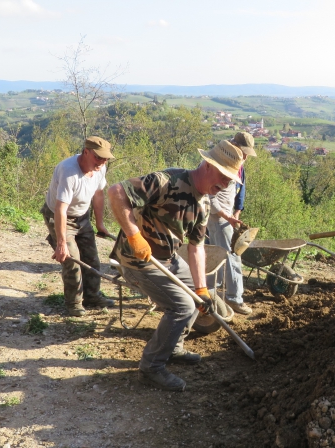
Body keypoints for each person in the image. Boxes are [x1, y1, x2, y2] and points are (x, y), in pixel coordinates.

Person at [107, 140, 244, 392]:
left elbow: (196, 247)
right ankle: (151, 368)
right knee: (182, 306)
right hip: (139, 261)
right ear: (207, 165)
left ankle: (174, 346)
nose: (225, 185)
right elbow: (116, 192)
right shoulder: (166, 182)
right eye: (223, 177)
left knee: (199, 296)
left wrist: (201, 288)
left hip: (169, 259)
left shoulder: (203, 203)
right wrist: (133, 235)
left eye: (230, 181)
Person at [41, 136, 116, 317]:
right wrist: (61, 244)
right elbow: (61, 208)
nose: (102, 162)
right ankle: (73, 303)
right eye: (98, 157)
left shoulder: (100, 168)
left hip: (82, 216)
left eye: (105, 158)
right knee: (72, 260)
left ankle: (92, 296)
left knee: (92, 259)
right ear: (86, 152)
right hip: (60, 216)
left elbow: (98, 195)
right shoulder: (69, 172)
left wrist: (100, 224)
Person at [207, 132, 256, 315]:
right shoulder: (219, 162)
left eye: (246, 154)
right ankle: (234, 299)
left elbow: (240, 189)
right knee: (231, 257)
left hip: (229, 216)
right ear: (234, 145)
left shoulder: (239, 164)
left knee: (222, 256)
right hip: (217, 217)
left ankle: (219, 293)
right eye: (243, 152)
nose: (245, 157)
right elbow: (209, 198)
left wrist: (237, 212)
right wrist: (226, 217)